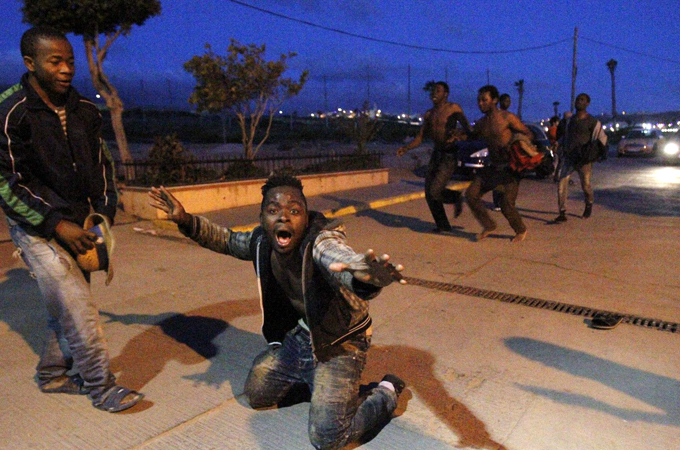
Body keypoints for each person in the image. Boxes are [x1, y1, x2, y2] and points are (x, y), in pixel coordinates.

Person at [149, 174, 407, 450]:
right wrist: (185, 220)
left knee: (328, 436)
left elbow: (337, 257)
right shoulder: (261, 242)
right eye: (273, 210)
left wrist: (363, 277)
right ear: (262, 218)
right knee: (256, 394)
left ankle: (386, 393)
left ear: (306, 218)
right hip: (301, 336)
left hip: (339, 342)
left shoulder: (320, 240)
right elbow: (226, 240)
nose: (284, 217)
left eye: (294, 211)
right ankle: (318, 383)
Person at [0, 27, 143, 412]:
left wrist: (102, 215)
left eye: (70, 61)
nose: (66, 69)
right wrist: (56, 224)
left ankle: (52, 374)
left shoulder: (84, 109)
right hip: (36, 227)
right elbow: (6, 183)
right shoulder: (10, 111)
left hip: (80, 223)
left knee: (66, 306)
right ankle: (102, 387)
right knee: (78, 306)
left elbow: (102, 164)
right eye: (55, 61)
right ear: (30, 63)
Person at [397, 81, 471, 233]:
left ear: (446, 94)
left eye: (438, 90)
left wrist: (459, 135)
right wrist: (406, 148)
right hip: (436, 154)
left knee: (435, 190)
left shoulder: (453, 108)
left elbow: (468, 129)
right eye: (433, 91)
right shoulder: (429, 114)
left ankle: (455, 197)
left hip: (449, 154)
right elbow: (420, 137)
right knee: (429, 193)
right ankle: (443, 225)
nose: (434, 93)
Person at [465, 85, 533, 242]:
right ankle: (488, 225)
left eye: (484, 100)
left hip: (510, 168)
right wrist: (457, 135)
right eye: (479, 100)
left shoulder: (507, 118)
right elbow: (471, 136)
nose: (480, 103)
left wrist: (517, 143)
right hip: (493, 166)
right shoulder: (482, 123)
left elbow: (528, 133)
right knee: (471, 195)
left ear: (494, 100)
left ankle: (520, 230)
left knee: (505, 204)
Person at [554, 93, 603, 222]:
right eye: (577, 99)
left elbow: (599, 139)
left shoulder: (593, 121)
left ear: (587, 103)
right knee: (562, 183)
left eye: (582, 100)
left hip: (583, 160)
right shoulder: (570, 121)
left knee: (586, 185)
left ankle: (589, 203)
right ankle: (562, 212)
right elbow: (565, 136)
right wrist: (558, 143)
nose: (579, 102)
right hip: (569, 157)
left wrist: (595, 154)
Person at [493, 93, 513, 210]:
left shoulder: (509, 115)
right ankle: (497, 203)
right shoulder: (497, 115)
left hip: (507, 151)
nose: (508, 103)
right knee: (498, 178)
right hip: (498, 150)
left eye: (509, 101)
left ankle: (504, 202)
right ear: (500, 102)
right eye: (506, 101)